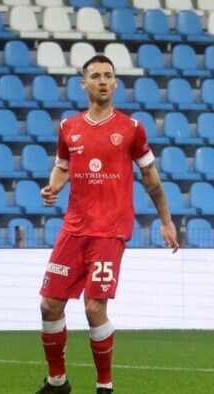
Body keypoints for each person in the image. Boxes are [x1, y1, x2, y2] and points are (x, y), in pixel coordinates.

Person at [36, 55, 179, 394]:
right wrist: (53, 185)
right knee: (49, 304)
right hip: (73, 228)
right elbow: (62, 166)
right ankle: (58, 381)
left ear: (115, 84)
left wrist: (166, 220)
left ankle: (104, 386)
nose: (102, 81)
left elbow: (151, 179)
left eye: (108, 76)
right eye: (95, 76)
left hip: (110, 230)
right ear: (83, 84)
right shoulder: (68, 128)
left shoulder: (131, 128)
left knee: (93, 307)